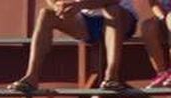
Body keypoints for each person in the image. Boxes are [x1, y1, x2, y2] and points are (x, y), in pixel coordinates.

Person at [8, 0, 146, 92]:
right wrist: (58, 6)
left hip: (120, 18)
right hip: (86, 20)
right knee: (46, 14)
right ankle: (31, 77)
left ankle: (112, 76)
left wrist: (80, 5)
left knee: (112, 9)